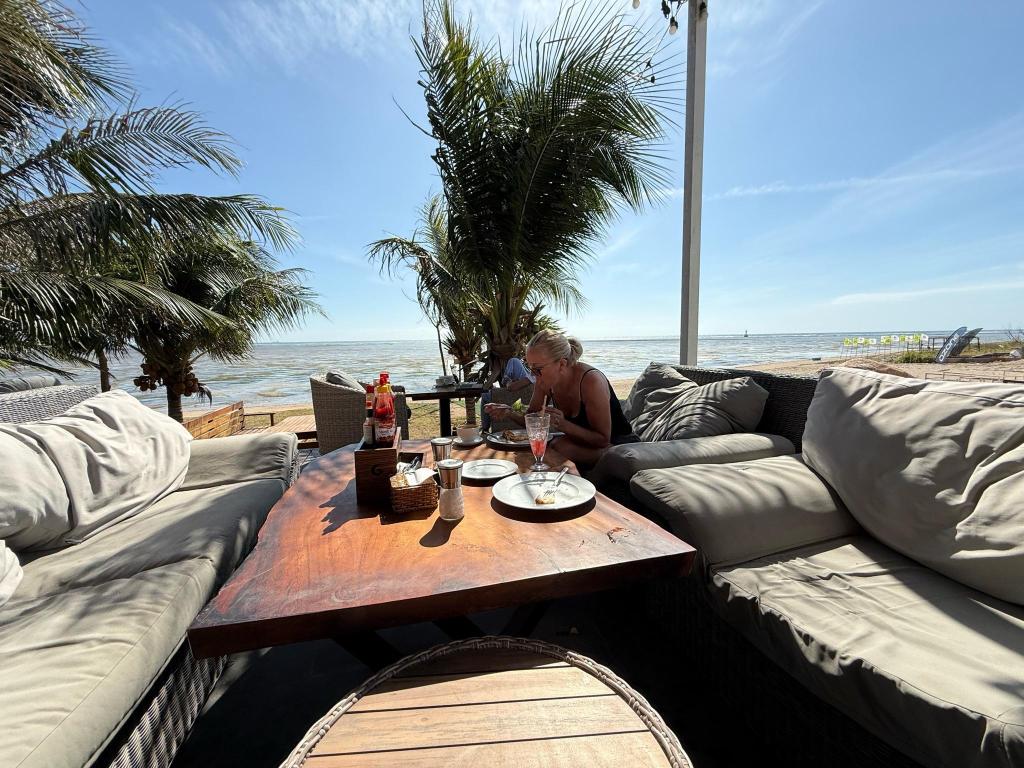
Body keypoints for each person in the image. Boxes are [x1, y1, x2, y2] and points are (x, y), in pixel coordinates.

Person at [484, 329, 636, 468]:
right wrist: (509, 412)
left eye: (538, 369)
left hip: (619, 446)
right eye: (530, 368)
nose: (533, 375)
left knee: (558, 447)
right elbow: (531, 420)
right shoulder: (544, 381)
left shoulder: (591, 381)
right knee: (544, 447)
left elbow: (602, 439)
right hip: (581, 443)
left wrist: (564, 425)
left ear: (562, 364)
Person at [480, 356, 535, 431]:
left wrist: (508, 381)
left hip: (518, 400)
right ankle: (485, 429)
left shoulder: (535, 375)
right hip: (518, 400)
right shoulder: (535, 371)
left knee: (485, 395)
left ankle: (485, 429)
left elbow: (510, 387)